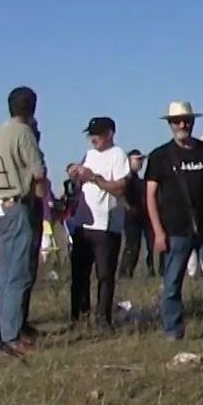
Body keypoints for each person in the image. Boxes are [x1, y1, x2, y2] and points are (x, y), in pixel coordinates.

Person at [146, 101, 203, 341]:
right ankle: (173, 329)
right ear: (170, 124)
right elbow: (150, 195)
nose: (183, 125)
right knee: (172, 282)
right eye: (177, 121)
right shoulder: (160, 156)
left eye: (187, 120)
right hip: (174, 229)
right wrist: (157, 231)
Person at [0, 86, 47, 352]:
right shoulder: (23, 133)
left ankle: (10, 326)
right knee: (19, 273)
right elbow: (38, 171)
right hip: (18, 204)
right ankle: (11, 335)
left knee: (5, 273)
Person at [64, 117, 132, 330]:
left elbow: (120, 187)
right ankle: (79, 316)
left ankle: (103, 318)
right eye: (91, 134)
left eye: (98, 134)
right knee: (79, 274)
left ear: (110, 133)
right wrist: (75, 173)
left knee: (104, 275)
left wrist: (94, 178)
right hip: (84, 223)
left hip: (106, 225)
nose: (94, 138)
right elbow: (79, 183)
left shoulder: (118, 155)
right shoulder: (90, 155)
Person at [117, 149, 154, 279]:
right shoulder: (126, 177)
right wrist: (129, 208)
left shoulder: (137, 178)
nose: (140, 163)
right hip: (131, 217)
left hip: (142, 215)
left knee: (148, 245)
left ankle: (150, 271)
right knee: (132, 245)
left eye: (142, 160)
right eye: (137, 160)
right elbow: (121, 195)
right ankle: (125, 273)